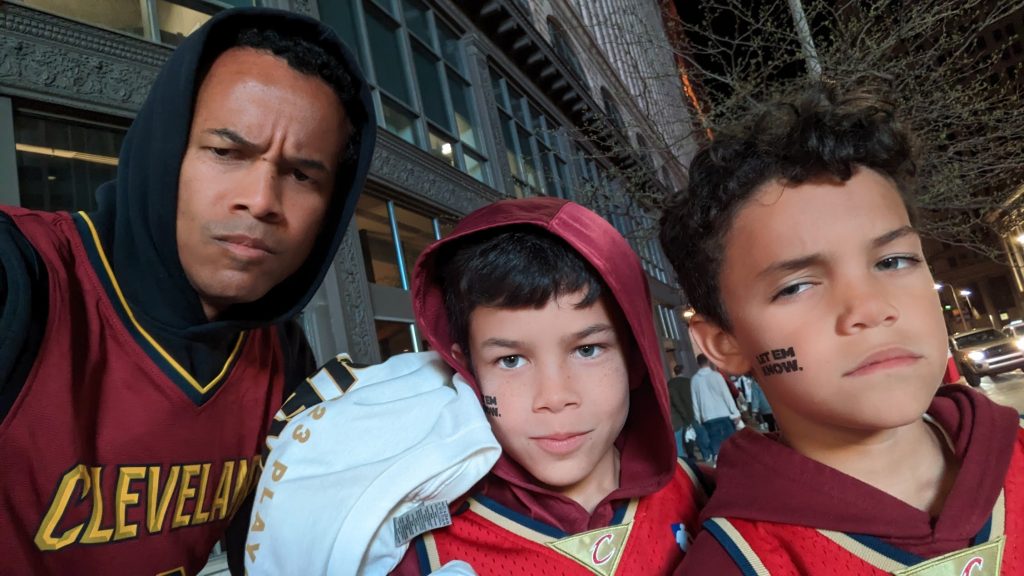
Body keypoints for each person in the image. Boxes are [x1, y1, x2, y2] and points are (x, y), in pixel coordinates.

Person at [0, 8, 376, 575]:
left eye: (302, 175)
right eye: (226, 152)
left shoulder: (281, 355)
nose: (262, 200)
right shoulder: (24, 275)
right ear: (166, 151)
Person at [660, 81, 1024, 574]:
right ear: (724, 344)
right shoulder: (736, 562)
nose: (870, 309)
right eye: (796, 286)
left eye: (894, 261)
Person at [388, 197, 710, 573]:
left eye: (587, 350)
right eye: (511, 360)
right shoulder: (416, 551)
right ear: (468, 372)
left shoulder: (709, 499)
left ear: (636, 357)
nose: (554, 398)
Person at [690, 354, 741, 465]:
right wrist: (735, 412)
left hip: (708, 417)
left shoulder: (694, 380)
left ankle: (719, 464)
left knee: (716, 447)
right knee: (732, 445)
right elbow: (726, 395)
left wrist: (698, 418)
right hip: (724, 414)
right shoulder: (717, 376)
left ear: (698, 364)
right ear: (708, 361)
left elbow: (695, 402)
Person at [668, 365, 710, 461]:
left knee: (686, 438)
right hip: (691, 412)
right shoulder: (689, 382)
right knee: (699, 434)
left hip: (678, 416)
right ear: (683, 371)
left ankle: (691, 457)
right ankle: (706, 454)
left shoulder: (670, 383)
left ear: (674, 372)